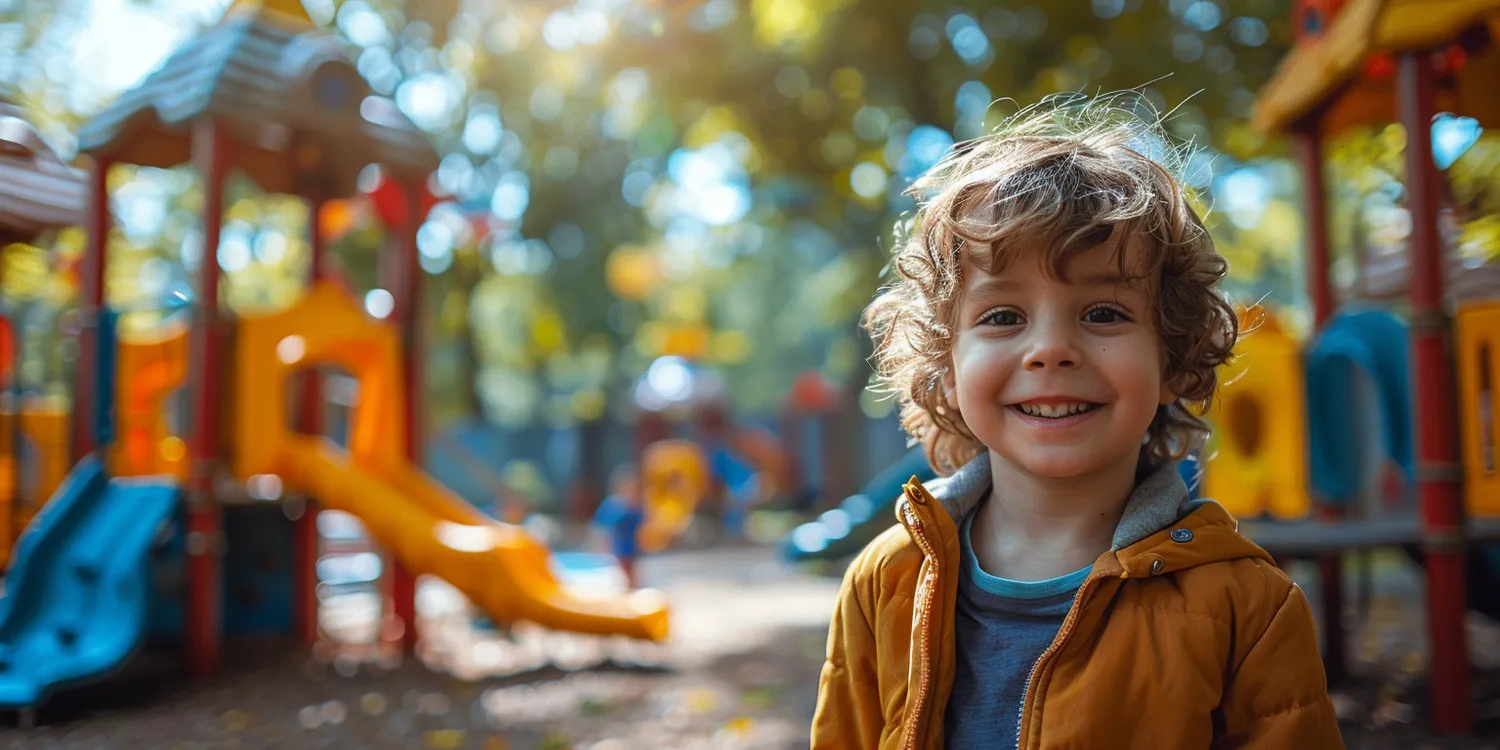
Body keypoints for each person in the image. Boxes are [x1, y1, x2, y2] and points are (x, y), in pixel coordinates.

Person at [811, 94, 1343, 749]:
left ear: (1172, 358)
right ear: (947, 364)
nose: (1050, 349)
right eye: (1003, 316)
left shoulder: (1247, 607)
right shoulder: (884, 582)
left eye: (1103, 313)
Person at [591, 464, 646, 588]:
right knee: (625, 574)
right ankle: (630, 591)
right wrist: (599, 546)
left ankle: (632, 591)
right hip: (620, 548)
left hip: (634, 548)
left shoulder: (638, 506)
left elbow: (645, 527)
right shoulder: (615, 506)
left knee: (632, 574)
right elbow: (601, 528)